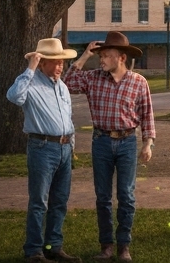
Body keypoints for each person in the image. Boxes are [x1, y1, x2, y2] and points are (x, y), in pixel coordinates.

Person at [66, 32, 155, 262]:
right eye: (101, 55)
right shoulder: (93, 78)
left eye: (106, 55)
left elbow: (147, 114)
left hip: (127, 142)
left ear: (121, 58)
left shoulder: (138, 82)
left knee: (126, 196)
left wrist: (147, 143)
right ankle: (106, 246)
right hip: (101, 142)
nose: (102, 60)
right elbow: (67, 82)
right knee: (103, 197)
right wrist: (85, 56)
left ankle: (124, 246)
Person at [7, 38, 81, 263]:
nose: (60, 66)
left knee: (60, 201)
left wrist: (71, 145)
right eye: (55, 62)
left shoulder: (62, 87)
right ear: (42, 63)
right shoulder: (30, 84)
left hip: (64, 148)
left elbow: (67, 117)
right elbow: (13, 96)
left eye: (61, 62)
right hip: (42, 147)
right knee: (39, 201)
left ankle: (53, 247)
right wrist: (30, 68)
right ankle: (34, 251)